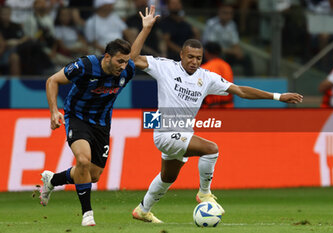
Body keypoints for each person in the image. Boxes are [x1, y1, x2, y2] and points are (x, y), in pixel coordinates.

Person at [131, 38, 303, 223]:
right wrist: (147, 29)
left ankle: (142, 210)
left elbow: (241, 91)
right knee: (211, 149)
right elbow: (132, 58)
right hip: (164, 133)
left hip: (184, 134)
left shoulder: (206, 77)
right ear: (181, 54)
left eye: (198, 58)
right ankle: (204, 193)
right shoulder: (165, 67)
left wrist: (277, 96)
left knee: (168, 177)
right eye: (190, 57)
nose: (194, 61)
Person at [40, 6, 159, 226]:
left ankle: (52, 180)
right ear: (107, 57)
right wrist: (54, 111)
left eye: (125, 62)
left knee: (92, 175)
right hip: (77, 117)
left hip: (102, 123)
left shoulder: (126, 70)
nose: (123, 67)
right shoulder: (85, 66)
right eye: (119, 62)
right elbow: (52, 81)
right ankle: (88, 215)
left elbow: (132, 56)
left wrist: (145, 29)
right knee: (83, 161)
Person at [202, 4, 253, 76]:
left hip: (227, 52)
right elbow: (212, 47)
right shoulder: (211, 23)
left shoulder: (232, 24)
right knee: (222, 56)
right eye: (225, 13)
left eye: (230, 13)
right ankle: (222, 78)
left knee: (246, 57)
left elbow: (235, 43)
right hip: (212, 53)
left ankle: (250, 81)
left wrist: (238, 51)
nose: (228, 15)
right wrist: (233, 51)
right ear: (219, 13)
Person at [201, 41, 234, 108]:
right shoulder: (227, 66)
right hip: (229, 107)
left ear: (206, 52)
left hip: (211, 108)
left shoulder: (204, 68)